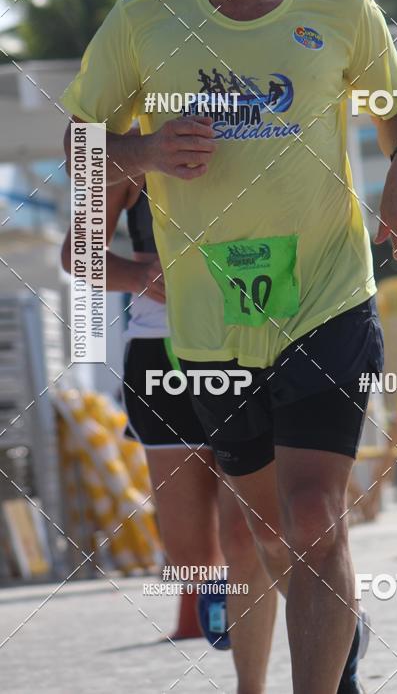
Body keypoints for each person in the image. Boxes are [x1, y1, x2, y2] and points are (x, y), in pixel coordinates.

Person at [62, 0, 397, 693]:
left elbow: (396, 106)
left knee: (314, 518)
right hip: (207, 323)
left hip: (326, 295)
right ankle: (333, 638)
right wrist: (144, 148)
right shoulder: (140, 21)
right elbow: (79, 147)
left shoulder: (339, 9)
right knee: (261, 534)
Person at [61, 175, 277, 687]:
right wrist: (139, 273)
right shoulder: (129, 148)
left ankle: (325, 633)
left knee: (247, 535)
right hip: (161, 353)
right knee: (190, 556)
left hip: (244, 341)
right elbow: (78, 254)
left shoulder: (255, 129)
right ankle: (248, 597)